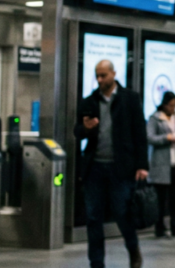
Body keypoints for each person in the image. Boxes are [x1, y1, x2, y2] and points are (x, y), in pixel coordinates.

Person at [74, 59, 148, 268]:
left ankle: (133, 250)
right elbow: (77, 132)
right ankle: (96, 262)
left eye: (103, 75)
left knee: (123, 214)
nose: (100, 79)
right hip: (94, 168)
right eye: (97, 75)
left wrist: (142, 165)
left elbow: (139, 133)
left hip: (121, 168)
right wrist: (86, 128)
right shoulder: (89, 101)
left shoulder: (130, 99)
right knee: (93, 217)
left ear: (114, 74)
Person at [146, 91, 175, 239]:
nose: (173, 108)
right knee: (161, 199)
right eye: (170, 105)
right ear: (164, 105)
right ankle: (160, 228)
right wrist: (167, 137)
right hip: (162, 163)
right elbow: (150, 137)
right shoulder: (155, 119)